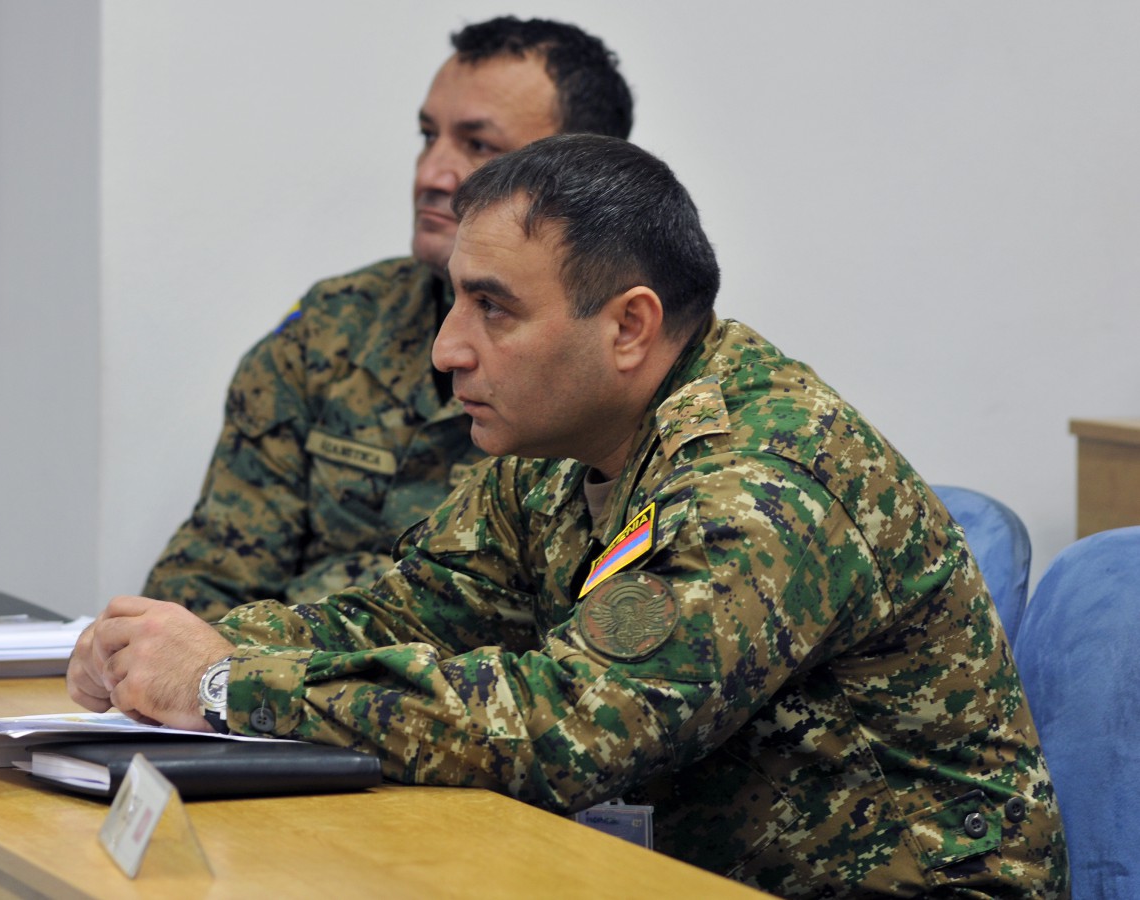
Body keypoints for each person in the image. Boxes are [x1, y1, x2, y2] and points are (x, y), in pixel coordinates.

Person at [70, 134, 1069, 896]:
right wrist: (159, 653)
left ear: (628, 326)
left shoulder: (756, 485)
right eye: (452, 303)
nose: (447, 350)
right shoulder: (554, 449)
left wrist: (224, 684)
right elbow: (397, 615)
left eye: (493, 309)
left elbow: (564, 729)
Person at [143, 17, 634, 620]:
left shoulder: (610, 367)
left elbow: (565, 645)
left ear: (583, 175)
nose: (431, 173)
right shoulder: (331, 328)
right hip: (266, 668)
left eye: (480, 147)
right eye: (429, 136)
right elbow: (205, 579)